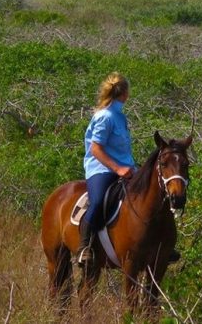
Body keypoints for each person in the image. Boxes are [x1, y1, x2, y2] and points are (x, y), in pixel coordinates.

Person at [77, 72, 135, 265]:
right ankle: (84, 246)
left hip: (126, 168)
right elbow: (95, 149)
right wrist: (118, 169)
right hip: (101, 169)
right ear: (124, 93)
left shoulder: (120, 117)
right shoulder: (105, 117)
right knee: (98, 201)